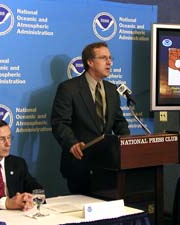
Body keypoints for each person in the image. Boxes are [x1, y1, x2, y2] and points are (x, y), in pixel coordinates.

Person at [51, 42, 130, 194]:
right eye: (103, 58)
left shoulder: (112, 90)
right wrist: (72, 144)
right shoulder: (69, 89)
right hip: (80, 163)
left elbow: (119, 122)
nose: (109, 62)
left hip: (108, 165)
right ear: (90, 62)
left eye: (110, 58)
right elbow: (60, 123)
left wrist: (126, 143)